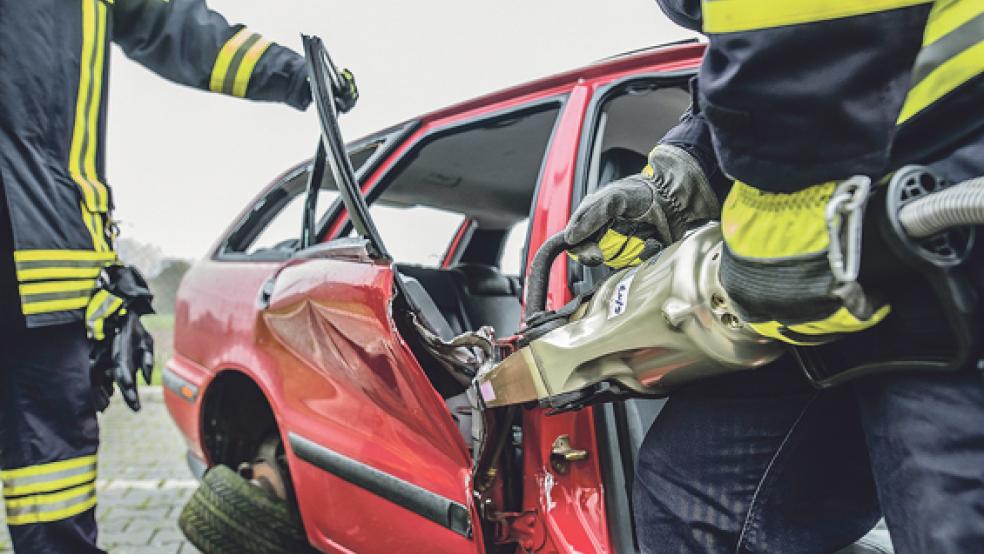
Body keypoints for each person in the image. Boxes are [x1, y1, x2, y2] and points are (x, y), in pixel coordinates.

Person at [564, 0, 983, 552]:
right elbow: (768, 44)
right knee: (689, 497)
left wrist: (783, 223)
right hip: (844, 276)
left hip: (943, 225)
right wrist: (680, 178)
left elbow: (795, 28)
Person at [0, 1, 356, 551]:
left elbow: (175, 26)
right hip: (48, 254)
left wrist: (295, 74)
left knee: (56, 486)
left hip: (48, 267)